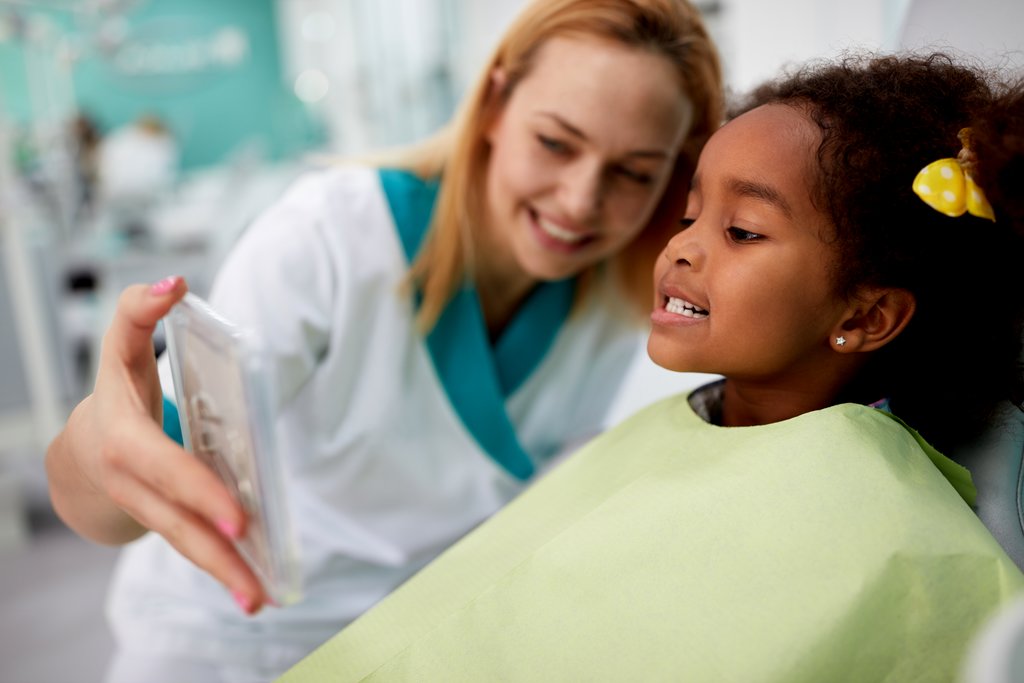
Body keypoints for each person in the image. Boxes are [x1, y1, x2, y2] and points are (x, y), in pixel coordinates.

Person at [277, 55, 1024, 682]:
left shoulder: (900, 539)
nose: (682, 250)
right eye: (688, 216)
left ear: (864, 316)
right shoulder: (677, 426)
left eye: (741, 230)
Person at [43, 1, 724, 680]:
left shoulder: (620, 295)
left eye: (634, 172)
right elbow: (124, 482)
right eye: (555, 142)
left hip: (408, 641)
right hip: (225, 640)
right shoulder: (330, 238)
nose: (580, 200)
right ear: (493, 104)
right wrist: (93, 451)